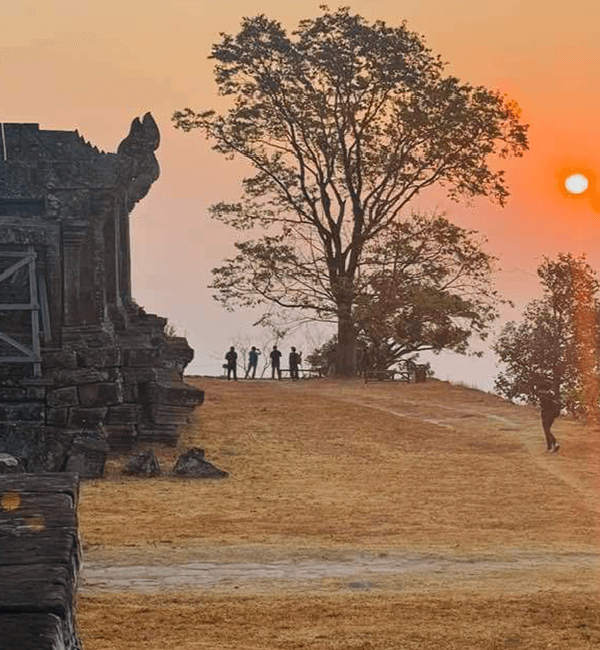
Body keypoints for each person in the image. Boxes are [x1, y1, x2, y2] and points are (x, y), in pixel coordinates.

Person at [538, 384, 560, 452]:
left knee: (546, 429)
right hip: (552, 414)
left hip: (546, 413)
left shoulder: (542, 395)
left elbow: (543, 405)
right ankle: (549, 447)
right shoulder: (552, 395)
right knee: (547, 429)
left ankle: (554, 444)